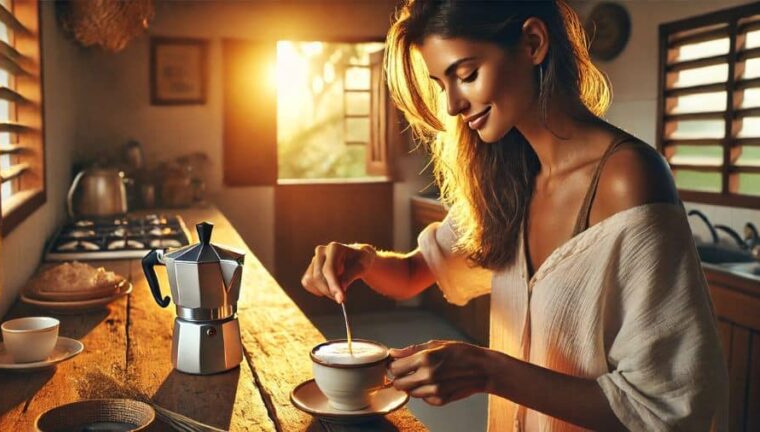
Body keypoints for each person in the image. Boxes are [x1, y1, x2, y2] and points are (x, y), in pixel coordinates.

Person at [301, 0, 728, 430]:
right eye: (440, 84)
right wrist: (363, 260)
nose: (451, 105)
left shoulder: (628, 178)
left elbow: (666, 406)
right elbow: (416, 271)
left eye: (466, 75)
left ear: (533, 42)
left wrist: (489, 371)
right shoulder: (508, 182)